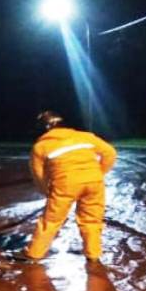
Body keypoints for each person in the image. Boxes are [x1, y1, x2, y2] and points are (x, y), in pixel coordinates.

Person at [23, 111, 117, 263]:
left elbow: (38, 175)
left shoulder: (40, 146)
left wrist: (46, 191)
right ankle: (93, 254)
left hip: (65, 184)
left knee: (51, 221)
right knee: (92, 219)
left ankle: (34, 254)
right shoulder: (86, 136)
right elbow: (110, 153)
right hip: (94, 182)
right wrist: (99, 172)